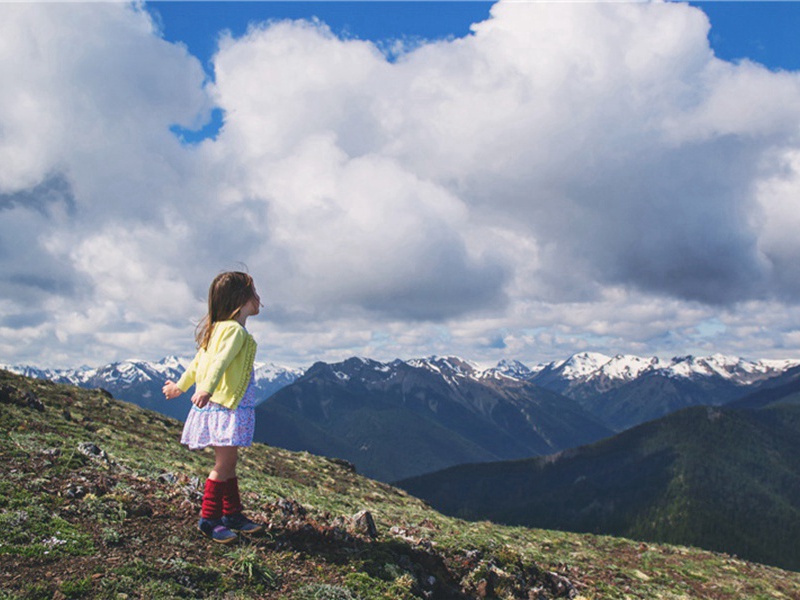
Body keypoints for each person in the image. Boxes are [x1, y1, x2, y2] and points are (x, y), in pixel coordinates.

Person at [162, 271, 264, 544]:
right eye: (253, 293)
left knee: (229, 463)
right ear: (240, 300)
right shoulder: (233, 332)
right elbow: (219, 362)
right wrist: (205, 388)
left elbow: (199, 363)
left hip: (217, 406)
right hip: (227, 406)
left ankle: (232, 515)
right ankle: (210, 519)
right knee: (224, 464)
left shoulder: (217, 328)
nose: (258, 298)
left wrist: (180, 387)